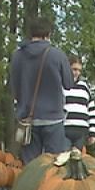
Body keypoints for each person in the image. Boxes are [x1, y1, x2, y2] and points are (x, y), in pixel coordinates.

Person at [9, 16, 73, 163]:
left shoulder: (17, 56)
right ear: (49, 34)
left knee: (30, 168)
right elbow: (68, 84)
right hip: (53, 119)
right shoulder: (57, 55)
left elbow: (13, 86)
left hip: (27, 120)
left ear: (30, 33)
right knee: (55, 166)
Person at [63, 54, 95, 151]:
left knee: (77, 157)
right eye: (74, 69)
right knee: (63, 157)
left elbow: (91, 110)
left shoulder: (84, 87)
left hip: (81, 130)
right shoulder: (60, 86)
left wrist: (93, 132)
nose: (77, 73)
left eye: (79, 70)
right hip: (64, 129)